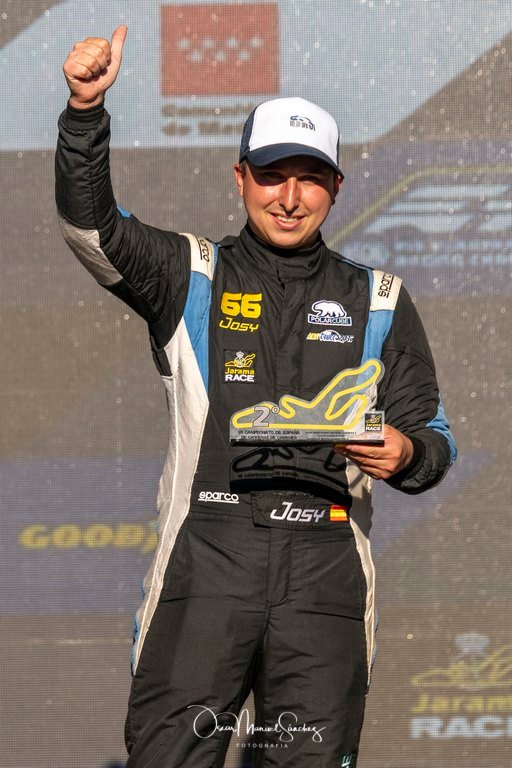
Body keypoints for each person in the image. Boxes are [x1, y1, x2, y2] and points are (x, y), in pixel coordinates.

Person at [56, 26, 456, 768]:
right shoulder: (190, 273)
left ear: (337, 186)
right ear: (239, 178)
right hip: (206, 559)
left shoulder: (379, 297)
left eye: (311, 177)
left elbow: (434, 437)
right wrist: (85, 112)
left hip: (326, 569)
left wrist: (406, 453)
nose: (290, 198)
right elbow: (91, 229)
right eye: (273, 175)